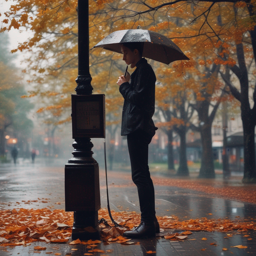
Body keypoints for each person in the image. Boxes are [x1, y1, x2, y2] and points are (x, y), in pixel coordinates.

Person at [116, 42, 159, 238]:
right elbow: (138, 96)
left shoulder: (144, 70)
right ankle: (151, 222)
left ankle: (148, 223)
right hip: (137, 127)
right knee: (141, 175)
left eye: (125, 53)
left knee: (140, 176)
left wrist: (124, 86)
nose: (123, 57)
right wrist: (129, 83)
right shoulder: (141, 71)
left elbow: (138, 99)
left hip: (138, 128)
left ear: (135, 52)